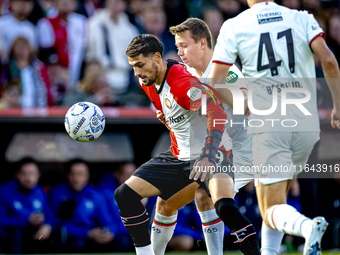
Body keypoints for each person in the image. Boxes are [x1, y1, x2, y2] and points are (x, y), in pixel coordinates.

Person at [210, 0, 340, 254]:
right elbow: (328, 60)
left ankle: (306, 228)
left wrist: (241, 103)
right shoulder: (302, 17)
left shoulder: (235, 25)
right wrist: (338, 105)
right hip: (306, 125)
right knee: (275, 194)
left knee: (269, 208)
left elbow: (215, 79)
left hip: (269, 124)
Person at [114, 34, 261, 255]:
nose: (136, 72)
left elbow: (218, 115)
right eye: (133, 67)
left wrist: (208, 155)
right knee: (127, 195)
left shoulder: (182, 84)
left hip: (214, 154)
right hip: (179, 157)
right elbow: (182, 121)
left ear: (156, 58)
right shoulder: (148, 80)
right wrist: (166, 120)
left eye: (140, 65)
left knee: (222, 206)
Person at [151, 18, 257, 255]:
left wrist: (215, 89)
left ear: (202, 43)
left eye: (184, 45)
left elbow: (245, 106)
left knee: (212, 199)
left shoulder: (226, 71)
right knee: (172, 202)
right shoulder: (185, 73)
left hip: (242, 149)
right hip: (212, 149)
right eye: (177, 46)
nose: (179, 52)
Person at [48, 159, 118, 252]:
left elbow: (107, 220)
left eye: (80, 174)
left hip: (94, 235)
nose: (76, 179)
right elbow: (58, 225)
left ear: (87, 176)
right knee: (79, 243)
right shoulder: (57, 193)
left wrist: (110, 232)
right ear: (67, 175)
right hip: (72, 237)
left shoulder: (95, 194)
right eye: (72, 174)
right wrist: (87, 233)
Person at [0, 158, 54, 253]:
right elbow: (2, 219)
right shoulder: (4, 191)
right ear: (16, 175)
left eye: (33, 174)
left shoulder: (39, 191)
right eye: (24, 174)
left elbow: (49, 215)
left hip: (36, 234)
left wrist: (47, 225)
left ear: (38, 175)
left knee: (54, 232)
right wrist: (26, 220)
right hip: (14, 236)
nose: (29, 179)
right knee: (15, 231)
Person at [87, 0, 138, 99]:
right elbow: (89, 57)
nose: (116, 2)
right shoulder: (94, 24)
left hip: (124, 82)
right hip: (99, 80)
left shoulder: (130, 30)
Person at [37, 0, 87, 87]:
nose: (65, 2)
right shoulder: (46, 23)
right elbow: (48, 55)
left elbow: (84, 47)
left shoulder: (81, 21)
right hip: (56, 75)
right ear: (55, 3)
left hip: (77, 71)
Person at [2, 37, 53, 107]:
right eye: (19, 46)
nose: (22, 50)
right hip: (13, 110)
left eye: (24, 46)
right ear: (13, 49)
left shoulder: (39, 68)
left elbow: (46, 89)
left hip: (36, 108)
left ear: (30, 49)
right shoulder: (7, 68)